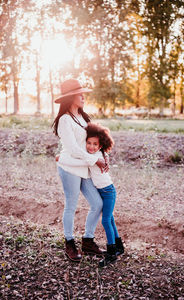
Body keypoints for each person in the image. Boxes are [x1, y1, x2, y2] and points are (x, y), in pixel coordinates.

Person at [52, 79, 108, 262]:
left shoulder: (82, 118)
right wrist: (95, 161)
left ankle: (88, 240)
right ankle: (69, 242)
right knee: (71, 205)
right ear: (70, 97)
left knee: (97, 204)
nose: (83, 96)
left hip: (84, 168)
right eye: (80, 93)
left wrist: (102, 155)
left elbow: (90, 143)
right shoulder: (64, 120)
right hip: (70, 168)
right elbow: (74, 149)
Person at [85, 122, 124, 267]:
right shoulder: (97, 154)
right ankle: (119, 247)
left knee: (106, 221)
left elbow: (85, 158)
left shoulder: (96, 156)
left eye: (95, 144)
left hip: (108, 191)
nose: (91, 147)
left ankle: (111, 253)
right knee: (110, 219)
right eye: (89, 143)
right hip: (102, 191)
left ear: (100, 146)